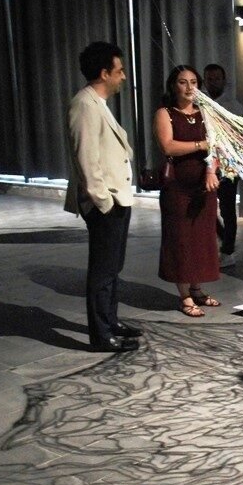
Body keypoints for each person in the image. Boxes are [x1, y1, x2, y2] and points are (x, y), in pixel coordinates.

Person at [65, 41, 141, 352]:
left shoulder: (97, 103)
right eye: (119, 70)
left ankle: (110, 321)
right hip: (105, 202)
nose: (123, 76)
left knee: (112, 268)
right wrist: (104, 203)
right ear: (104, 73)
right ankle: (101, 334)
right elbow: (87, 159)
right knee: (102, 271)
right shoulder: (84, 105)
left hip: (117, 199)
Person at [155, 65, 222, 317]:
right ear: (174, 86)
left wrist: (211, 171)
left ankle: (197, 289)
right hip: (178, 188)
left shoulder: (206, 113)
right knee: (181, 241)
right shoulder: (165, 113)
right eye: (183, 82)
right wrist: (200, 144)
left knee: (202, 240)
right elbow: (168, 146)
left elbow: (216, 147)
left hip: (203, 186)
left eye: (194, 82)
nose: (189, 87)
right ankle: (185, 296)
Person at [203, 63, 243, 268]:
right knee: (206, 207)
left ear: (224, 80)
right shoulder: (200, 104)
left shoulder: (234, 106)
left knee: (227, 209)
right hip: (205, 162)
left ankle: (228, 250)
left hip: (228, 165)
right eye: (209, 79)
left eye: (216, 79)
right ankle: (223, 241)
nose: (213, 82)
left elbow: (241, 136)